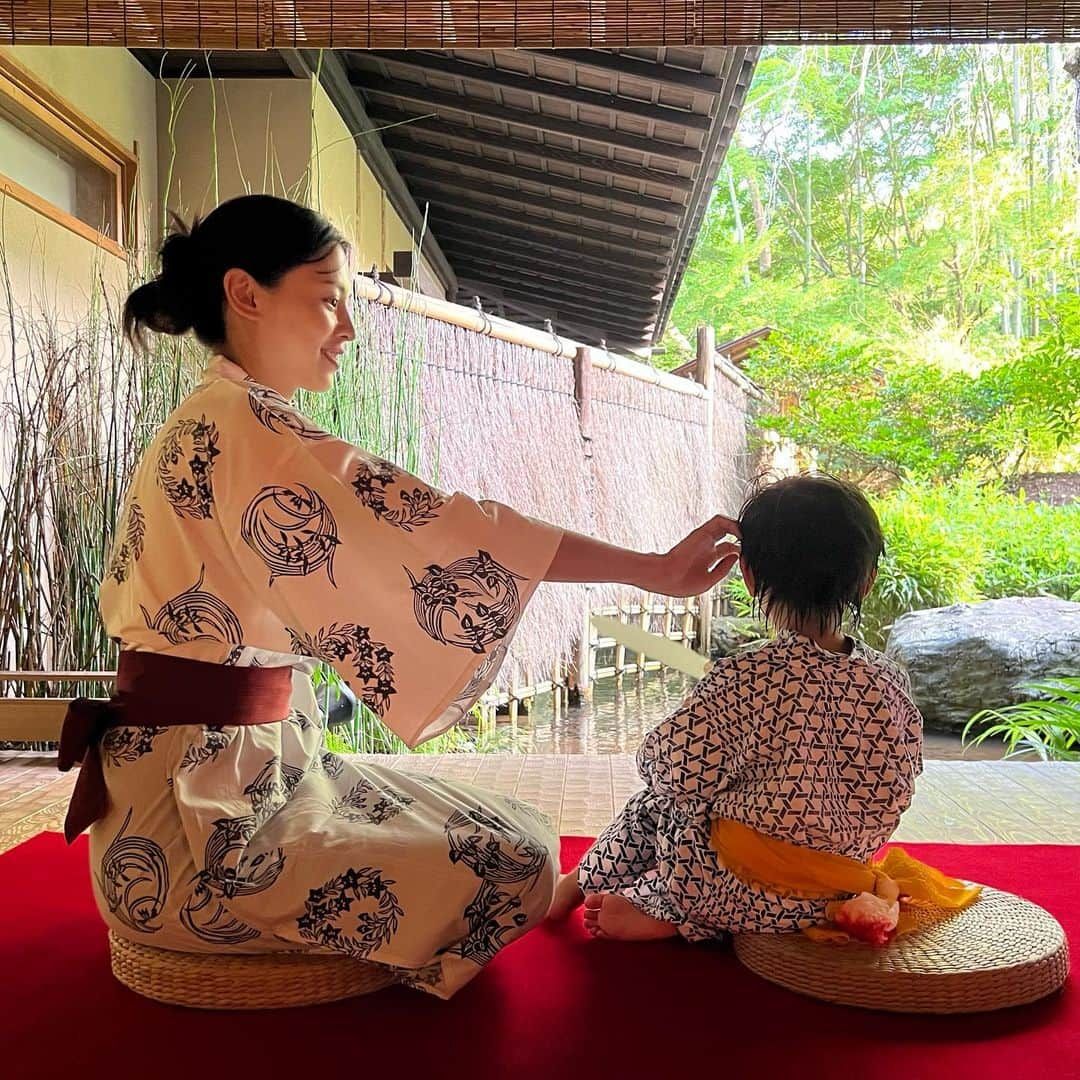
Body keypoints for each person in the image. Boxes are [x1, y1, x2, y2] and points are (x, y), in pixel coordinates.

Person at [59, 194, 740, 999]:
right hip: (198, 843)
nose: (345, 328)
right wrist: (648, 569)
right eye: (327, 298)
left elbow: (429, 538)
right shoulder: (248, 433)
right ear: (246, 294)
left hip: (236, 783)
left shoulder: (227, 419)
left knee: (519, 834)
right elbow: (451, 536)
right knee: (514, 864)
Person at [549, 474, 923, 942]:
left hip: (729, 889)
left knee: (658, 804)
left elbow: (670, 768)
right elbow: (897, 790)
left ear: (747, 575)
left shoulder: (743, 676)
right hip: (837, 888)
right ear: (866, 581)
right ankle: (673, 913)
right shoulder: (888, 681)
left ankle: (631, 900)